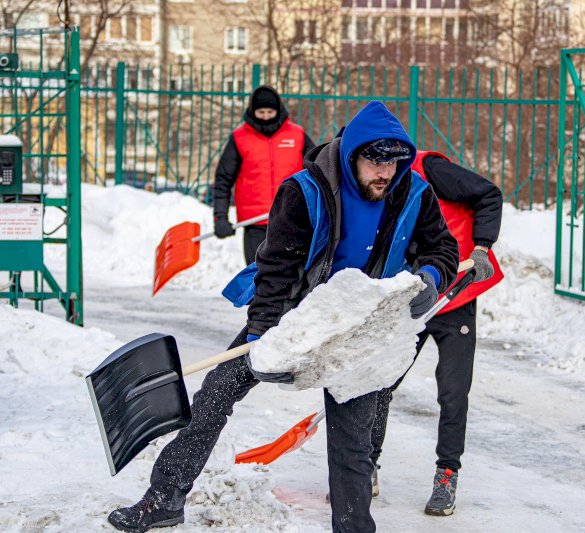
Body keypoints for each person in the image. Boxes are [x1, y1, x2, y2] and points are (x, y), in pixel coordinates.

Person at [107, 101, 459, 533]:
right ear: (352, 155)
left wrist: (430, 277)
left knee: (352, 437)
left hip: (359, 323)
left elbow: (442, 249)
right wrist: (264, 337)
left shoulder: (414, 193)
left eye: (393, 161)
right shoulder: (304, 191)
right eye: (375, 160)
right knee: (215, 395)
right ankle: (163, 499)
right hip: (294, 310)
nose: (385, 172)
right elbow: (276, 270)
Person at [369, 150, 503, 517]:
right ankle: (367, 466)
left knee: (453, 391)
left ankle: (447, 475)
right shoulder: (365, 185)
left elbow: (488, 194)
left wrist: (481, 249)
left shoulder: (428, 168)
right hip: (408, 296)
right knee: (379, 381)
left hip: (455, 291)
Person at [212, 85, 316, 265]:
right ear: (253, 111)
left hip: (291, 218)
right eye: (261, 112)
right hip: (256, 223)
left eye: (270, 111)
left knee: (291, 276)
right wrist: (220, 217)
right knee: (257, 275)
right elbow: (223, 180)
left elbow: (317, 170)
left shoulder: (297, 135)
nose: (266, 116)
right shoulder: (239, 138)